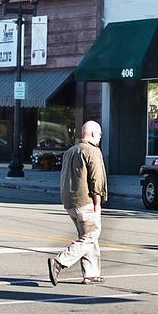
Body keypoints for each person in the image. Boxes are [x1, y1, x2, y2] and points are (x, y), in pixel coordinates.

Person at [48, 120, 108, 286]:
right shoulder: (92, 151)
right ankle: (59, 262)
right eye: (100, 134)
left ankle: (91, 273)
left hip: (70, 202)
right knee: (90, 235)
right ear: (93, 134)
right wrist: (98, 204)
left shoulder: (70, 151)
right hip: (86, 201)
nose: (100, 137)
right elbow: (96, 180)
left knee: (88, 236)